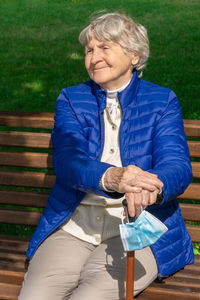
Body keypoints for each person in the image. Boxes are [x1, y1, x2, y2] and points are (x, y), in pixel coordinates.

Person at [19, 12, 194, 300]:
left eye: (105, 48)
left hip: (137, 230)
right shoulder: (72, 99)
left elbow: (176, 165)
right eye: (89, 50)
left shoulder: (162, 101)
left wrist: (154, 186)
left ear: (134, 55)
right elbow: (68, 162)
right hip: (74, 227)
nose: (94, 57)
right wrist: (112, 177)